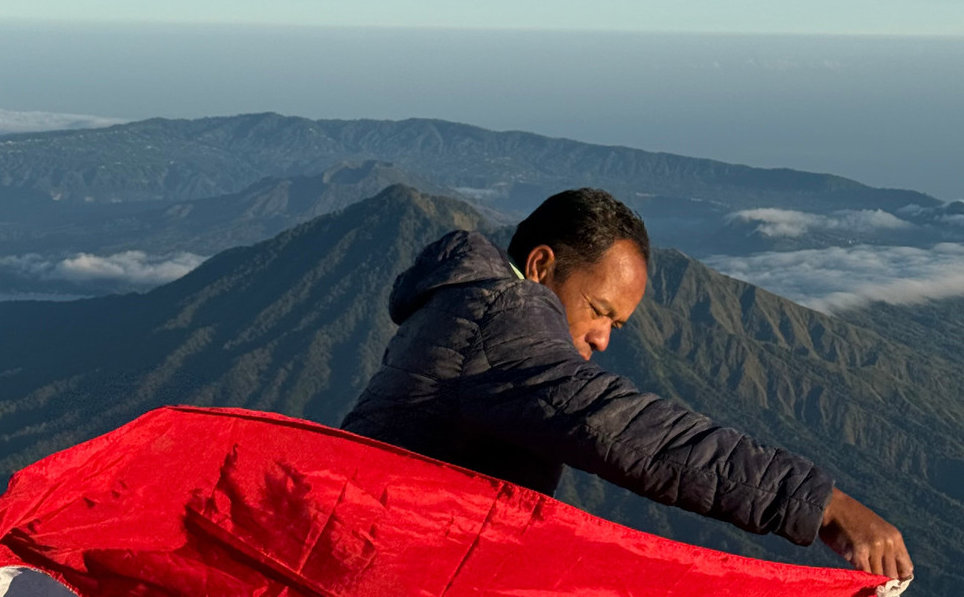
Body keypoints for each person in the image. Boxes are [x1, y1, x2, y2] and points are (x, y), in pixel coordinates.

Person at [342, 188, 913, 581]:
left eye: (615, 325)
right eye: (599, 311)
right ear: (541, 266)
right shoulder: (501, 316)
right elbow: (630, 431)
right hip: (386, 568)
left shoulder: (462, 302)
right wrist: (820, 503)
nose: (601, 339)